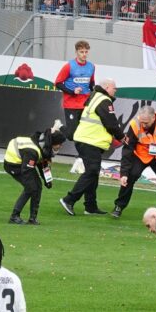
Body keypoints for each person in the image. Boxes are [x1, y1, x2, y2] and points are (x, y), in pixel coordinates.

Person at [60, 79, 120, 215]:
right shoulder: (104, 100)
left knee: (93, 172)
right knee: (92, 171)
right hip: (90, 141)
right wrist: (121, 137)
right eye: (114, 88)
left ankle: (90, 206)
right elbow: (111, 123)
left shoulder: (95, 97)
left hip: (87, 139)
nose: (116, 90)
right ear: (107, 87)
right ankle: (69, 199)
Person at [112, 105, 156, 218]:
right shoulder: (135, 124)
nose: (143, 125)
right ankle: (119, 206)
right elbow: (128, 149)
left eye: (146, 123)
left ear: (153, 118)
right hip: (141, 155)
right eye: (142, 122)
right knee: (130, 176)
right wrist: (124, 173)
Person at [2, 123, 65, 224]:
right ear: (52, 143)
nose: (61, 146)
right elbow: (27, 170)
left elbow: (43, 163)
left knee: (37, 186)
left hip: (24, 162)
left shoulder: (44, 144)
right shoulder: (32, 151)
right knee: (31, 188)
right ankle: (14, 216)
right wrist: (33, 184)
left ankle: (33, 218)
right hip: (13, 164)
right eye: (59, 144)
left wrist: (47, 180)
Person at [54, 40, 95, 130]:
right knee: (72, 135)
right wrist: (72, 92)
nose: (84, 54)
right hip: (71, 104)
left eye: (86, 52)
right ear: (76, 52)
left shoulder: (91, 66)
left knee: (82, 133)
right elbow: (58, 83)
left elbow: (91, 83)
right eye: (81, 52)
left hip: (85, 104)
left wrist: (94, 91)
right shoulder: (69, 66)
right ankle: (59, 126)